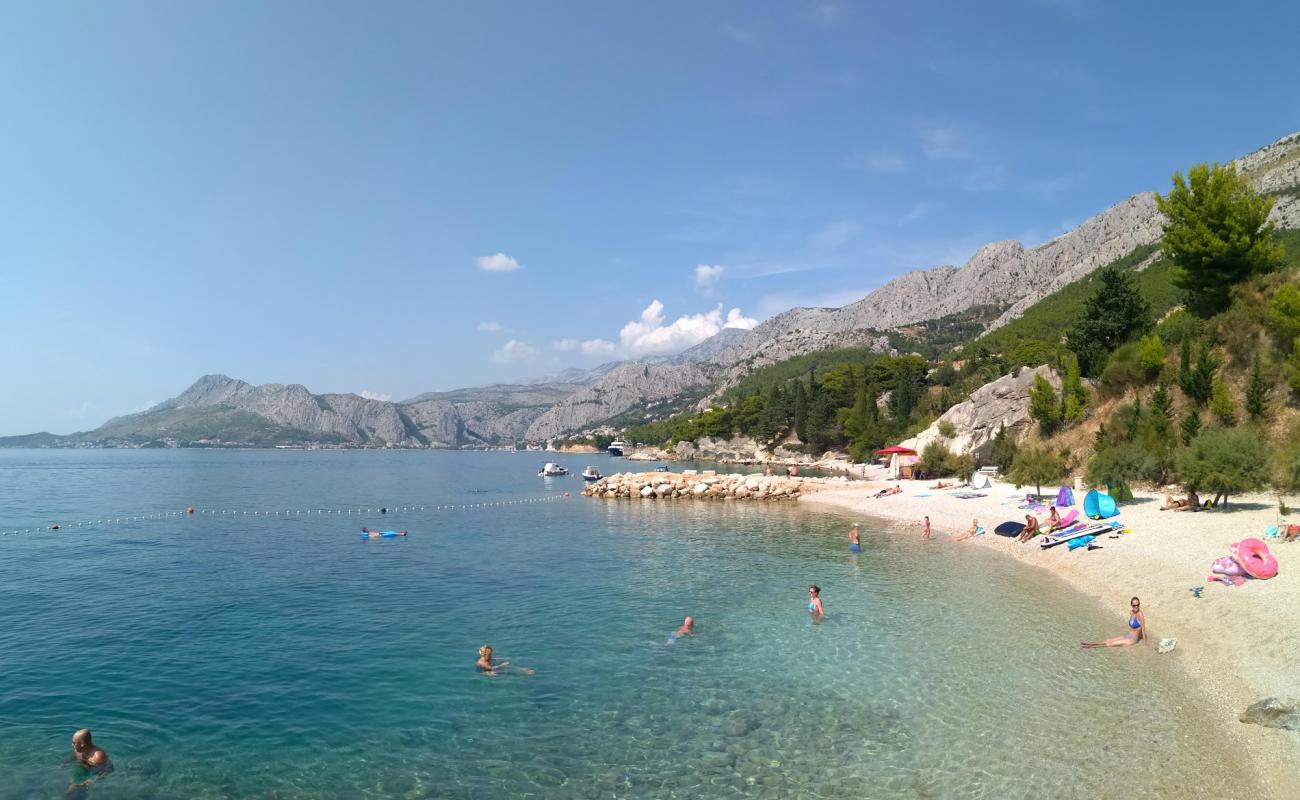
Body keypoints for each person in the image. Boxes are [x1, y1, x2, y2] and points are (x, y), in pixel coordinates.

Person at [1082, 597, 1147, 648]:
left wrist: (1144, 644)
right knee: (1108, 640)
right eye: (1134, 605)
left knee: (1111, 644)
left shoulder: (1140, 614)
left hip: (1132, 639)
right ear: (1131, 605)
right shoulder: (1131, 612)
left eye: (1138, 605)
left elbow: (1143, 630)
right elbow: (1133, 628)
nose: (1136, 607)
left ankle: (1092, 646)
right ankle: (1092, 644)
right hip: (1127, 635)